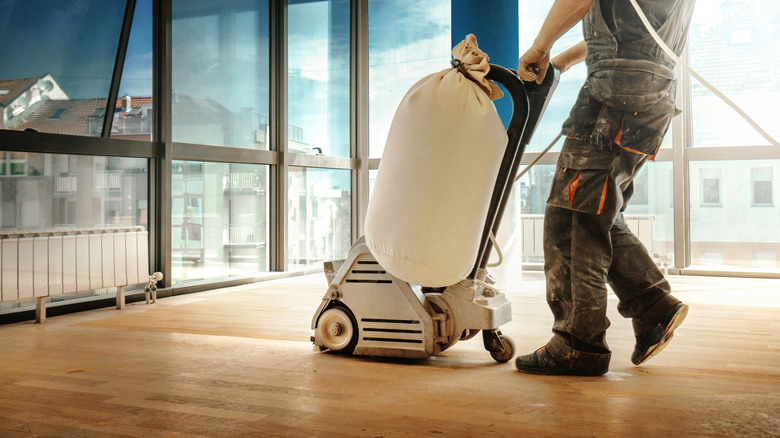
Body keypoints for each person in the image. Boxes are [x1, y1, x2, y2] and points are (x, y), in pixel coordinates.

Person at [514, 0, 696, 376]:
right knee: (598, 210)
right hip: (650, 93)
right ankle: (652, 306)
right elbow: (630, 25)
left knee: (570, 216)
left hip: (616, 95)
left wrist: (541, 46)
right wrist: (562, 58)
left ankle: (577, 343)